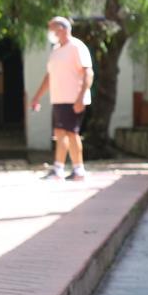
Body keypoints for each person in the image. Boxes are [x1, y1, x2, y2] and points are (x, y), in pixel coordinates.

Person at [30, 16, 94, 181]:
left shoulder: (77, 47)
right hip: (59, 99)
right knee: (59, 133)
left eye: (53, 28)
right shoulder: (56, 50)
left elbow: (88, 72)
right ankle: (58, 169)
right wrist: (37, 97)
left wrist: (80, 98)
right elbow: (50, 76)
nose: (50, 32)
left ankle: (79, 170)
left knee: (72, 133)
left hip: (74, 99)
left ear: (63, 29)